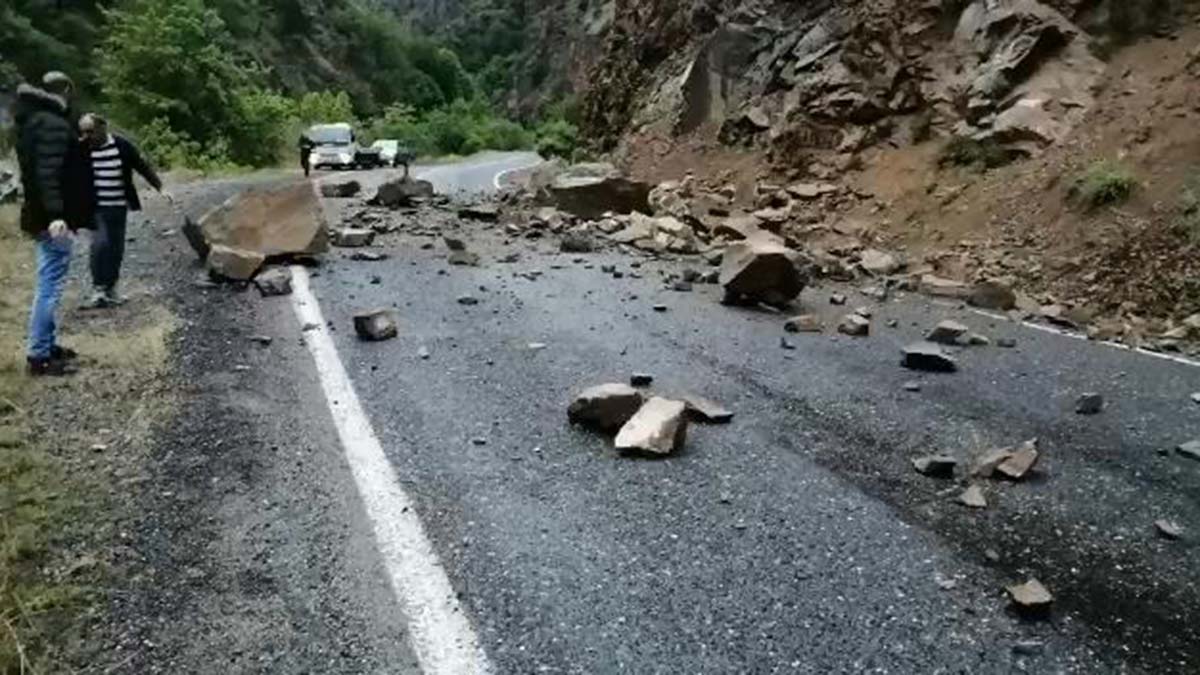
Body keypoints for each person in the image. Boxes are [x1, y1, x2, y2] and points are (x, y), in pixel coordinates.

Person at [15, 71, 88, 377]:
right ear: (65, 92)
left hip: (38, 213)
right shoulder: (53, 126)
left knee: (49, 280)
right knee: (50, 285)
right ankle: (39, 356)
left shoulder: (33, 122)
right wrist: (58, 214)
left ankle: (46, 344)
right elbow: (48, 174)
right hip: (51, 218)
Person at [77, 112, 171, 309]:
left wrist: (161, 188)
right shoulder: (82, 148)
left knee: (116, 248)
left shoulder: (121, 145)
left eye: (90, 131)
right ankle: (98, 289)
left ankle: (111, 288)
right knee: (99, 244)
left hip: (118, 206)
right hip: (96, 208)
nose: (86, 136)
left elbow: (142, 167)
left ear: (103, 128)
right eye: (83, 132)